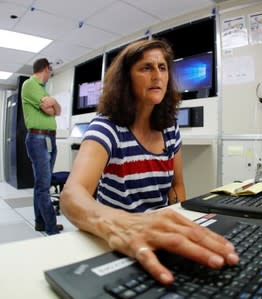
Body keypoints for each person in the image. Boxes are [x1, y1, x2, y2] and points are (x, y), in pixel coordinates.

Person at [60, 39, 239, 285]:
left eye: (162, 67)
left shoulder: (170, 127)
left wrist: (181, 223)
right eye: (146, 68)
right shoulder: (106, 127)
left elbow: (177, 185)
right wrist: (126, 223)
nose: (157, 75)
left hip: (157, 234)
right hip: (119, 235)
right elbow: (72, 194)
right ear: (126, 79)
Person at [21, 58, 63, 235]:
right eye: (51, 70)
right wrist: (52, 103)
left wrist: (53, 102)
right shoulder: (30, 84)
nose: (51, 73)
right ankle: (51, 228)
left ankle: (40, 222)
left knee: (41, 185)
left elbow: (57, 111)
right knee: (43, 187)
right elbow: (49, 109)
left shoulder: (43, 89)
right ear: (46, 68)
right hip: (38, 139)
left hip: (49, 139)